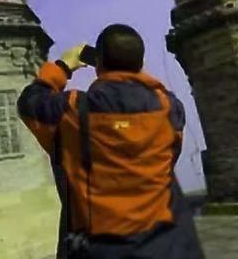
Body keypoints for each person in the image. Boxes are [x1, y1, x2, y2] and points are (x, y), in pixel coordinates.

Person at [17, 24, 205, 259]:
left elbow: (30, 103)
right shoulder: (169, 108)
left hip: (98, 248)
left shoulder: (73, 111)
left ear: (99, 64)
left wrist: (63, 66)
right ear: (140, 63)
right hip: (167, 246)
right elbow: (172, 152)